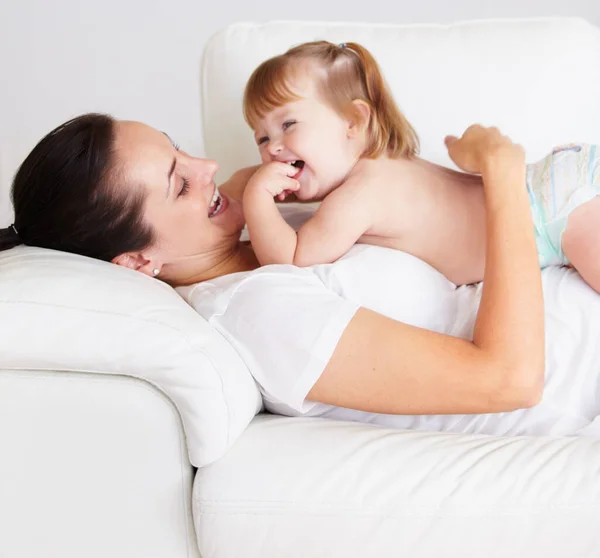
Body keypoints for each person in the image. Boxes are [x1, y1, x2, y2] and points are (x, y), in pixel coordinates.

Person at [1, 114, 548, 434]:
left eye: (182, 150)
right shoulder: (258, 312)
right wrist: (502, 173)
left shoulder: (258, 227)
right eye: (180, 184)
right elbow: (510, 379)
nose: (207, 168)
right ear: (140, 263)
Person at [241, 41, 600, 291]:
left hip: (553, 210)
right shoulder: (383, 165)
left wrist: (256, 197)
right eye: (260, 138)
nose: (273, 147)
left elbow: (293, 259)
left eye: (288, 125)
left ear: (353, 121)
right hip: (559, 185)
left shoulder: (361, 193)